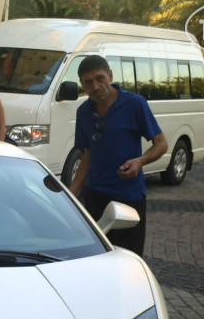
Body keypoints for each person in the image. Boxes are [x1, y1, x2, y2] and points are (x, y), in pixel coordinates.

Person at [69, 55, 168, 257]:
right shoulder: (83, 112)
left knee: (128, 258)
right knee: (96, 257)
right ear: (82, 85)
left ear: (110, 76)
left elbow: (161, 143)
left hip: (128, 197)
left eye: (100, 78)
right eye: (88, 83)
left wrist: (140, 161)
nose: (96, 87)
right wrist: (70, 196)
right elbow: (87, 155)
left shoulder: (135, 104)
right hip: (95, 197)